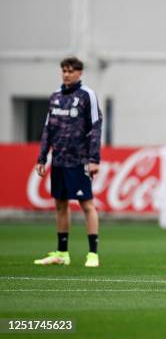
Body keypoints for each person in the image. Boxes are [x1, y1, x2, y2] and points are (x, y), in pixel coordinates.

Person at [34, 57, 102, 268]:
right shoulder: (55, 96)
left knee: (87, 205)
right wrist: (42, 157)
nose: (66, 74)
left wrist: (93, 159)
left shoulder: (86, 95)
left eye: (71, 70)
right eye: (64, 70)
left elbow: (96, 126)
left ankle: (93, 254)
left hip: (79, 160)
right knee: (60, 204)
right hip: (59, 160)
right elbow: (48, 129)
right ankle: (62, 253)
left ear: (80, 73)